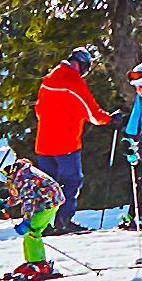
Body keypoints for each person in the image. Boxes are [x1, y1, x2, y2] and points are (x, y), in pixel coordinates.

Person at [28, 48, 108, 227]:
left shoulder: (49, 79)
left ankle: (42, 224)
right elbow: (93, 113)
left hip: (44, 144)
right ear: (80, 65)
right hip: (66, 145)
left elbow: (38, 109)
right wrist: (109, 119)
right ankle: (63, 221)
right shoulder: (74, 82)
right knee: (72, 182)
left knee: (47, 186)